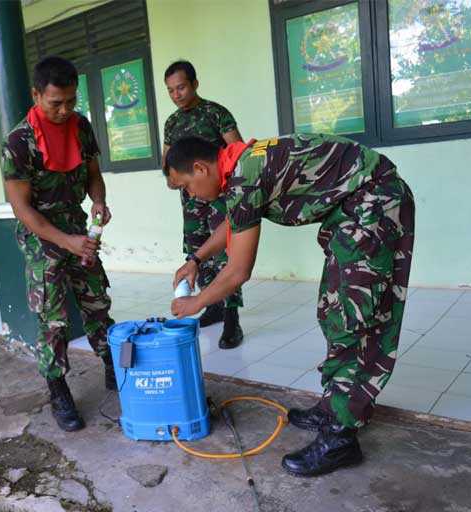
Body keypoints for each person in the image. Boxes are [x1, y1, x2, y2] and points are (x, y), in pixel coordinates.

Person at [165, 134, 415, 476]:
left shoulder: (245, 176)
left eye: (186, 186)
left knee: (354, 318)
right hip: (354, 212)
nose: (190, 195)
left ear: (200, 168)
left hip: (374, 204)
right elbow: (236, 221)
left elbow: (238, 270)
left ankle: (342, 436)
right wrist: (195, 258)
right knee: (333, 310)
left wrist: (197, 302)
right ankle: (335, 407)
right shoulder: (241, 165)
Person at [3, 56, 115, 433]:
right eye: (56, 103)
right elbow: (22, 210)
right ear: (36, 95)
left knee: (97, 301)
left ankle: (115, 366)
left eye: (71, 101)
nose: (65, 110)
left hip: (78, 231)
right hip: (43, 240)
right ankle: (58, 388)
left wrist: (98, 201)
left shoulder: (80, 126)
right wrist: (66, 242)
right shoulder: (19, 142)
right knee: (53, 319)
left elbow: (94, 176)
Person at [162, 60, 244, 349]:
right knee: (197, 250)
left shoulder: (215, 113)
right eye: (171, 90)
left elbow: (237, 152)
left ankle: (232, 315)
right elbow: (167, 160)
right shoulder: (172, 122)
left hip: (220, 195)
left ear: (195, 84)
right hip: (191, 198)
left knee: (224, 251)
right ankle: (214, 305)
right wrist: (172, 179)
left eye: (181, 87)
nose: (177, 95)